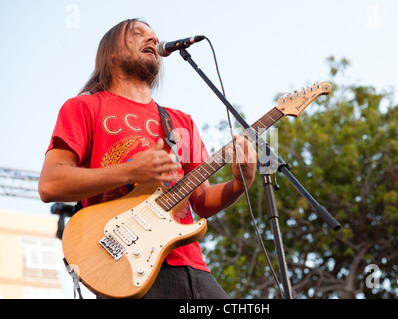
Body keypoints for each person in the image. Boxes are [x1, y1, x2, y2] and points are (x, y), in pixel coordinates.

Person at [38, 18, 257, 299]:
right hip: (124, 264)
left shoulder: (181, 122)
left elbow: (201, 202)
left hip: (191, 266)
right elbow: (51, 184)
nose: (152, 39)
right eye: (139, 34)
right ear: (112, 54)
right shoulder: (84, 107)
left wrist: (240, 184)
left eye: (154, 36)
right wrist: (130, 172)